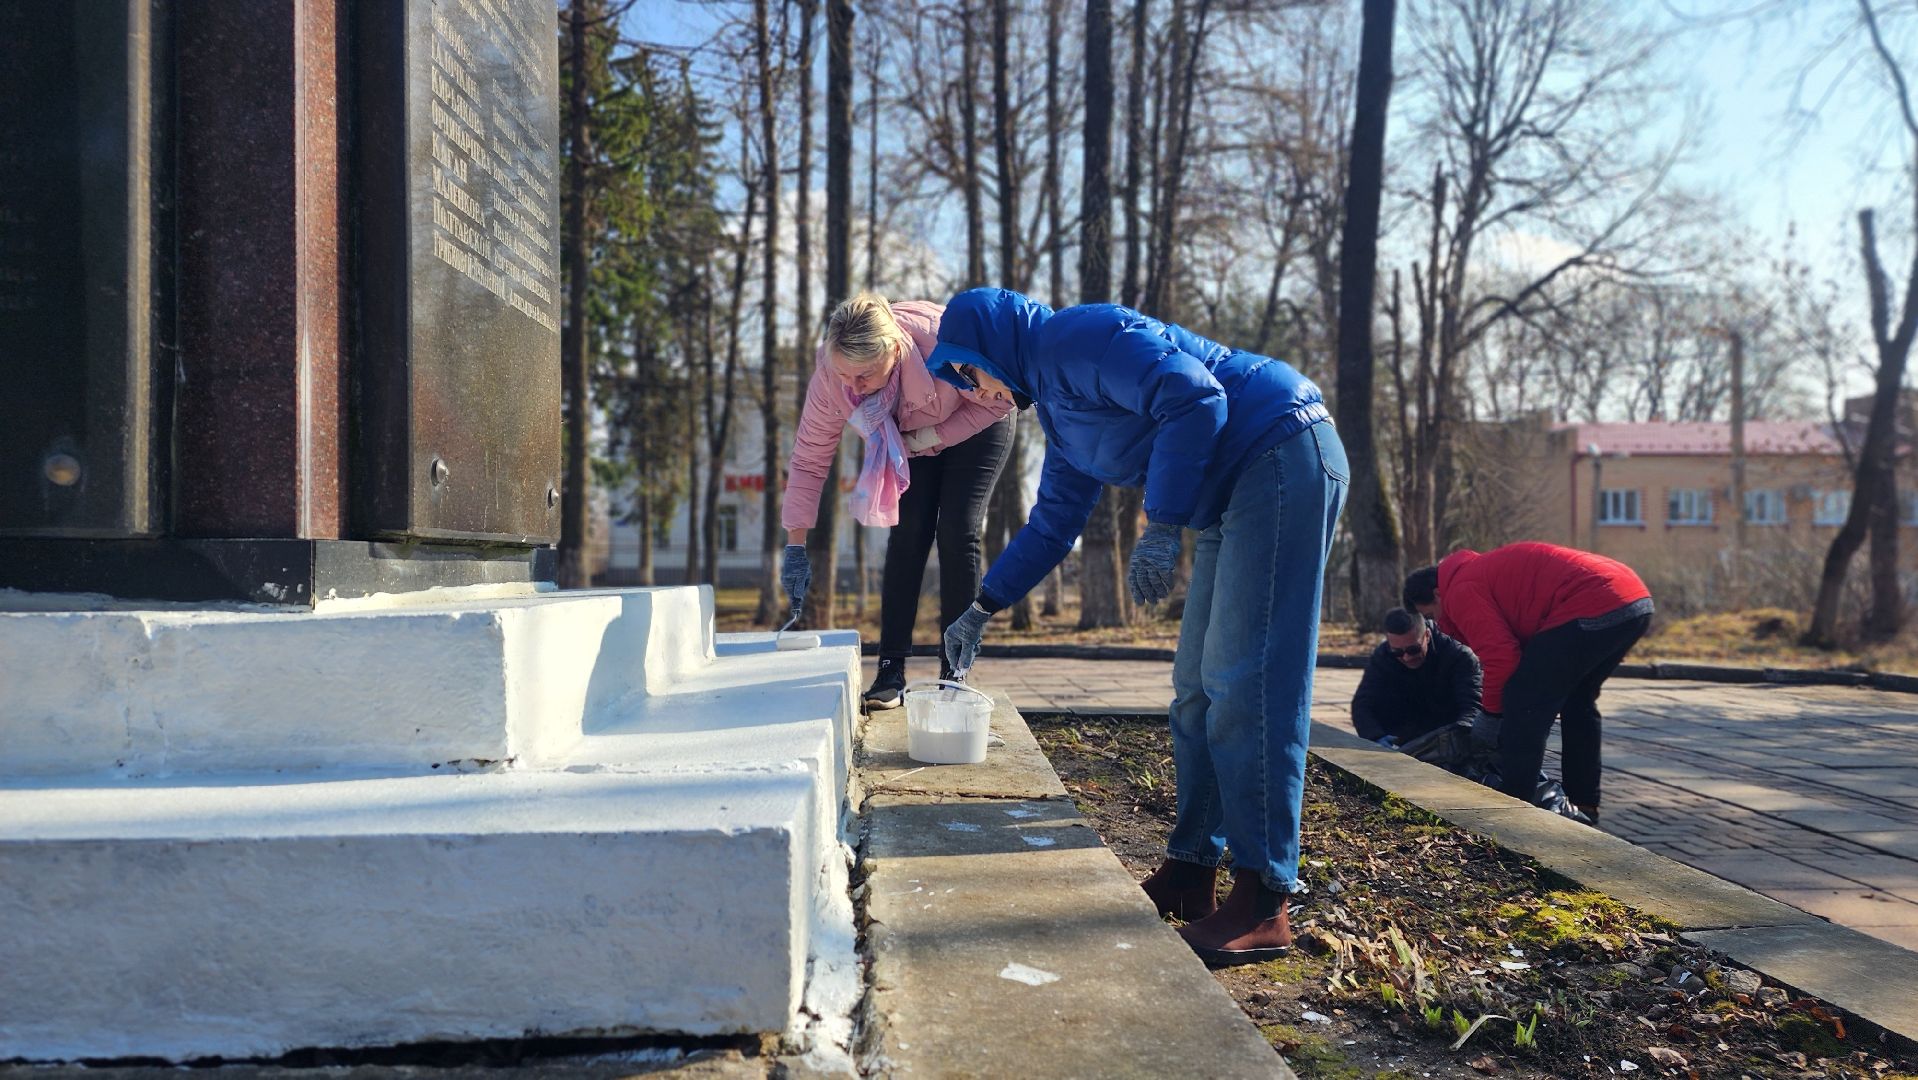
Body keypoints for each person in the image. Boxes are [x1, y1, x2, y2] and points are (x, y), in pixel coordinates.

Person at [929, 287, 1346, 966]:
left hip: (1280, 449)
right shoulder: (1061, 417)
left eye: (969, 373)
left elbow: (1196, 395)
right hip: (1228, 492)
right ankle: (1190, 871)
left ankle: (1265, 899)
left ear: (989, 348)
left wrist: (1161, 524)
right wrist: (983, 606)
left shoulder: (1073, 339)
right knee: (1197, 691)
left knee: (1248, 684)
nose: (978, 392)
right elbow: (1053, 523)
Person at [781, 294, 1015, 709]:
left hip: (977, 422)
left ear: (893, 351)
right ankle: (891, 670)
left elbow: (999, 401)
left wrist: (931, 439)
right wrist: (795, 545)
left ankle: (954, 672)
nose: (852, 389)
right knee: (907, 534)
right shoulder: (831, 379)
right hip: (905, 438)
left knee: (956, 530)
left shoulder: (941, 343)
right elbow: (809, 459)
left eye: (865, 376)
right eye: (844, 375)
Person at [1402, 542, 1653, 824]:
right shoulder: (1477, 572)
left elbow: (1502, 658)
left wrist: (1491, 717)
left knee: (1523, 702)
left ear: (1438, 593)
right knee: (1578, 701)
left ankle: (1515, 812)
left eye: (1432, 615)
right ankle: (1584, 803)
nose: (1438, 623)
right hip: (1633, 600)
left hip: (1592, 601)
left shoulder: (1459, 589)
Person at [1350, 608, 1482, 749]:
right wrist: (1375, 737)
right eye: (1398, 652)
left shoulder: (1459, 655)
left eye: (1413, 650)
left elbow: (1472, 707)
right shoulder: (1382, 656)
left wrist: (1456, 738)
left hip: (1446, 735)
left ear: (1427, 635)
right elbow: (1362, 705)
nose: (1407, 657)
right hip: (1401, 736)